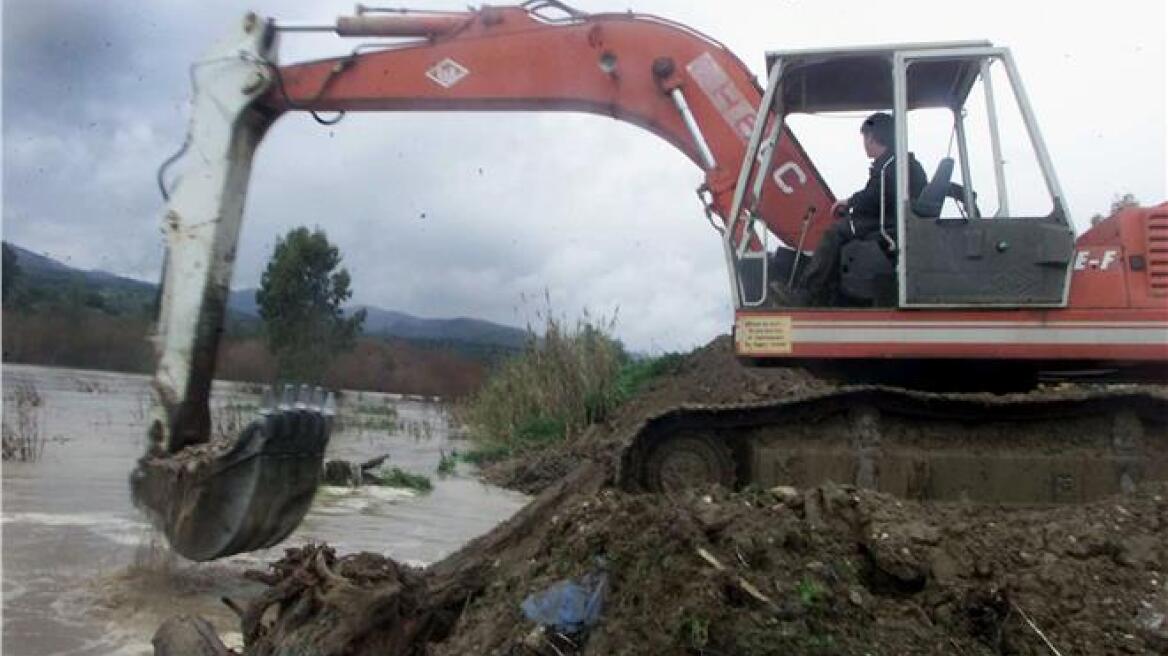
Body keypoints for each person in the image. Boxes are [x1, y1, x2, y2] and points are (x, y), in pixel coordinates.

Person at [794, 112, 927, 306]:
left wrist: (849, 204)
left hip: (889, 224)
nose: (864, 143)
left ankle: (807, 294)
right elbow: (876, 194)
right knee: (845, 228)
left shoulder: (890, 165)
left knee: (835, 233)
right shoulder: (899, 163)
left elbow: (874, 197)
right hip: (896, 220)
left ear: (872, 137)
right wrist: (853, 203)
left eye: (865, 137)